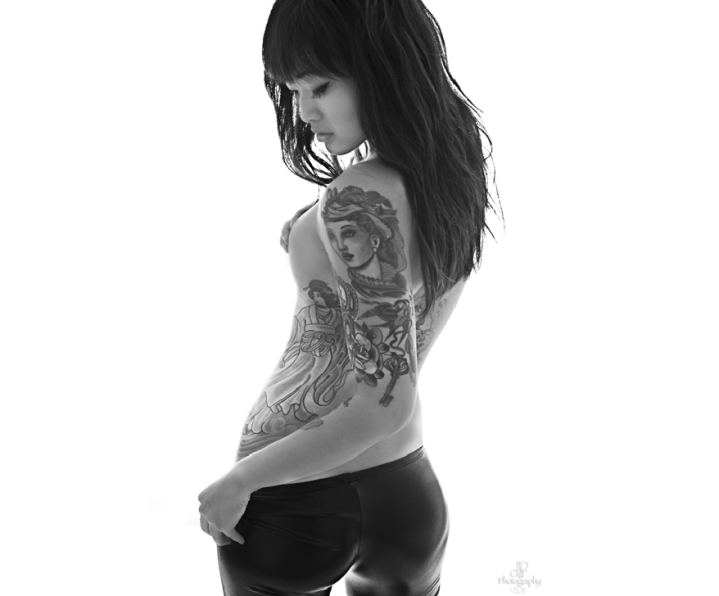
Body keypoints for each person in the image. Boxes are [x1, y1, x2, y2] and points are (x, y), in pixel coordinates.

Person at [198, 0, 501, 594]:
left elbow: (383, 401)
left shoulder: (356, 198)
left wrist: (242, 481)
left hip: (297, 508)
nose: (305, 112)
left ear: (383, 68)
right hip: (409, 497)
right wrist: (312, 228)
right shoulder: (450, 164)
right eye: (294, 91)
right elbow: (408, 319)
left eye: (321, 86)